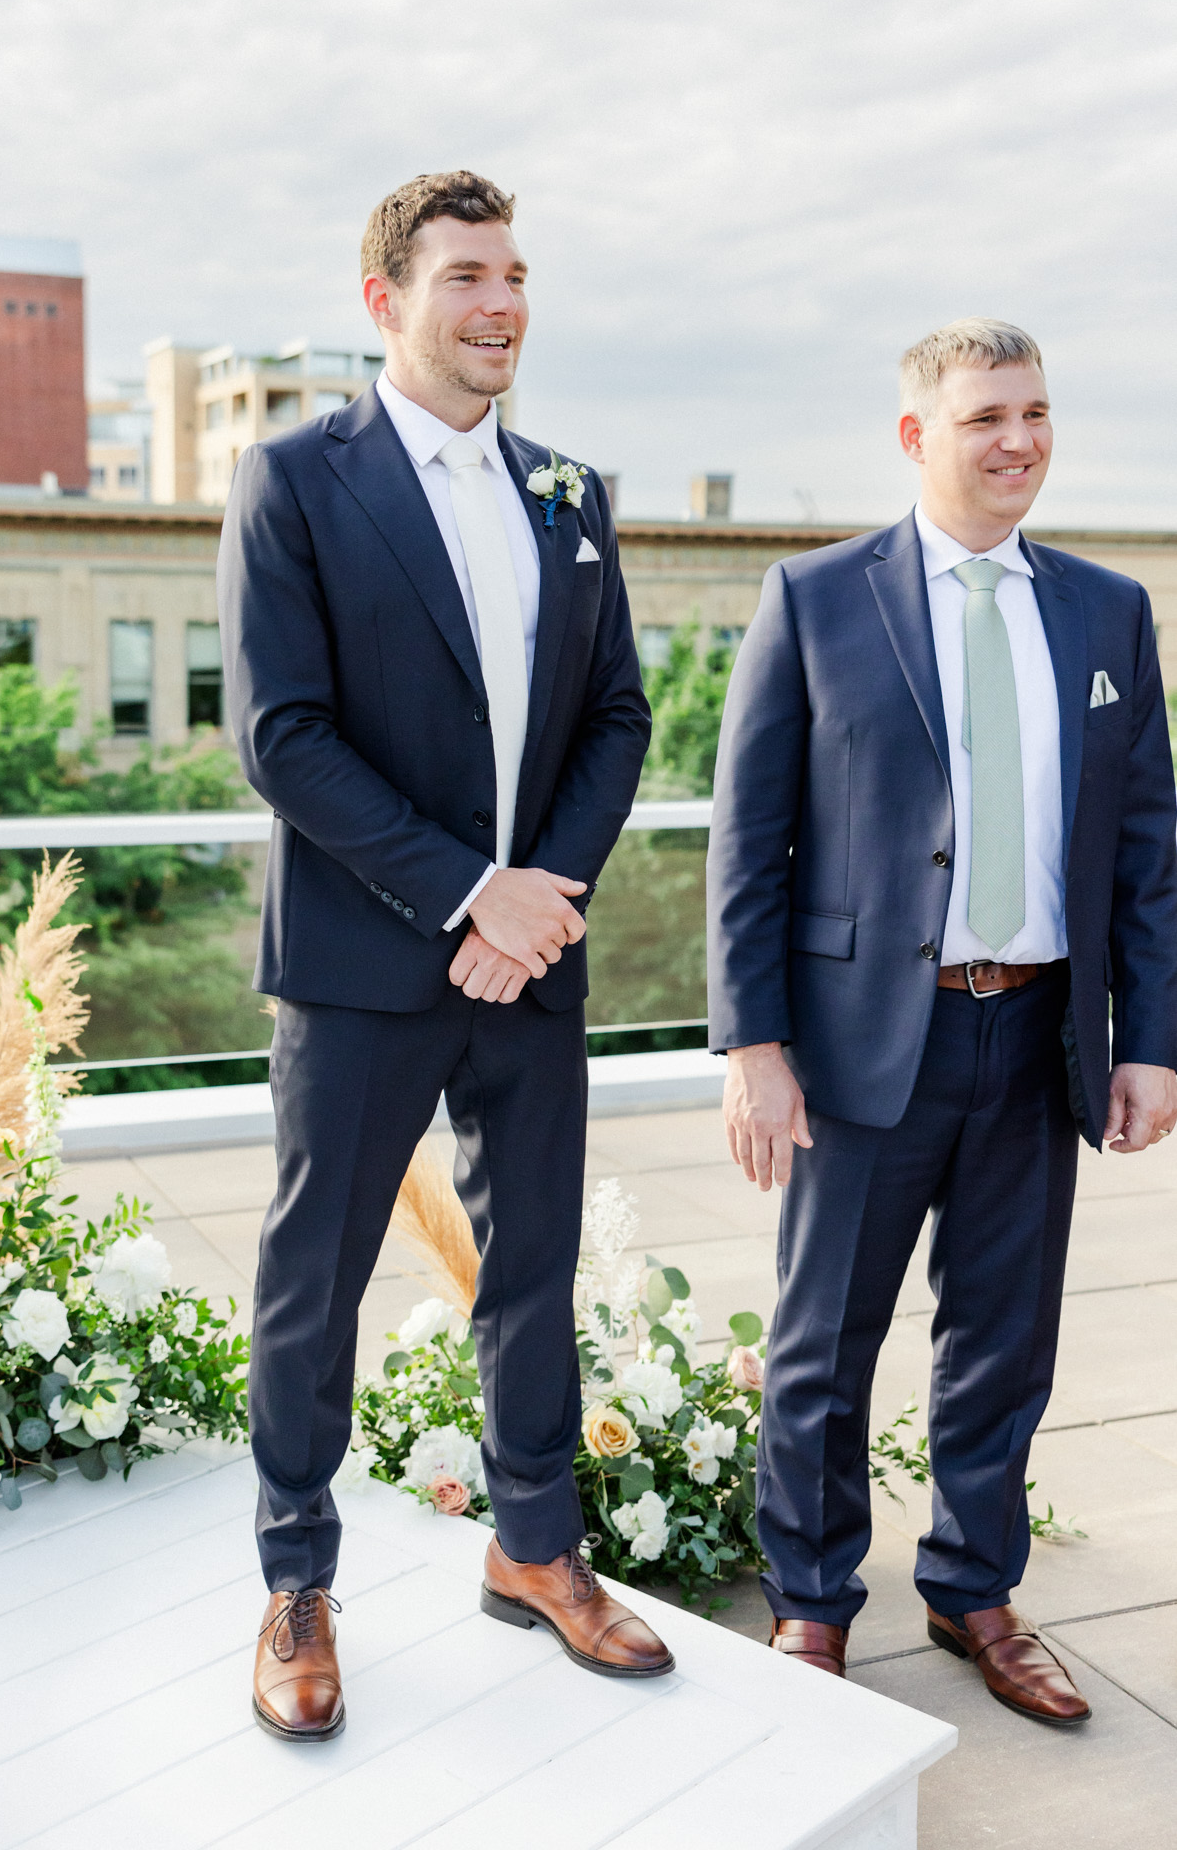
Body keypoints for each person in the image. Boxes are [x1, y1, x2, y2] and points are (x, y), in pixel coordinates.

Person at [218, 170, 671, 1744]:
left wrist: (540, 893)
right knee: (311, 1281)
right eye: (468, 275)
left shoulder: (570, 489)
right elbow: (282, 736)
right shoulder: (292, 481)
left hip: (528, 963)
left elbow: (617, 715)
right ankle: (295, 1582)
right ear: (383, 301)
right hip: (360, 968)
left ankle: (535, 1547)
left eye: (517, 275)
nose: (501, 305)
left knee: (530, 1267)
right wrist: (469, 893)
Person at [706, 318, 1177, 1724]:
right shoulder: (813, 598)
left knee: (1001, 1341)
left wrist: (1148, 1036)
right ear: (917, 436)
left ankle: (973, 1587)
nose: (1016, 440)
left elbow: (1149, 840)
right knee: (820, 1344)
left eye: (1033, 413)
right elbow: (749, 843)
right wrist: (751, 1048)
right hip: (862, 1044)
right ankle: (811, 1600)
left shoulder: (1107, 610)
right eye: (984, 417)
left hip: (1037, 1041)